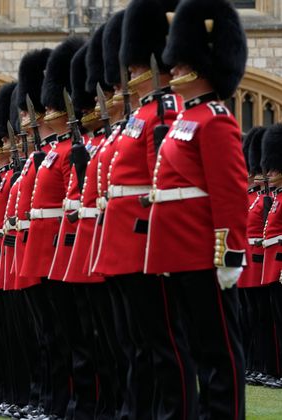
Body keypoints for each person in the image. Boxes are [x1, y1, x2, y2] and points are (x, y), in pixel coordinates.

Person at [145, 0, 248, 417]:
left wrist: (229, 254)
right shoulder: (186, 120)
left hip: (204, 252)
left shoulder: (216, 120)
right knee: (196, 345)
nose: (170, 73)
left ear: (199, 67)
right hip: (178, 251)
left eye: (179, 64)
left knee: (219, 348)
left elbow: (230, 192)